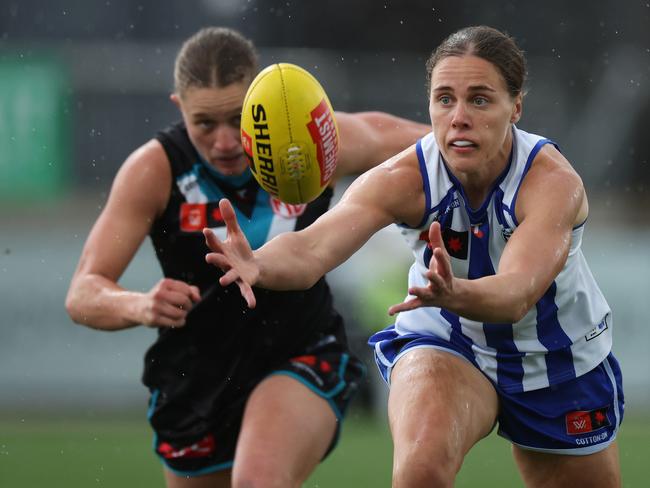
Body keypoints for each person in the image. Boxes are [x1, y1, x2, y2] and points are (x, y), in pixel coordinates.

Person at [204, 25, 624, 487]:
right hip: (450, 339)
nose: (458, 117)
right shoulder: (408, 175)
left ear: (516, 107)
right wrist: (259, 264)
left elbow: (515, 293)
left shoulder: (551, 182)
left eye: (479, 99)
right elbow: (312, 247)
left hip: (558, 357)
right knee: (421, 468)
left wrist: (454, 291)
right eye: (444, 99)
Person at [65, 27, 430, 488]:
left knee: (257, 481)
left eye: (237, 119)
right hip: (197, 376)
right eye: (204, 124)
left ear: (259, 102)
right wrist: (137, 304)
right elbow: (83, 292)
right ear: (179, 108)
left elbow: (433, 149)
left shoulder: (309, 140)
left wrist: (525, 162)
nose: (223, 142)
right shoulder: (154, 169)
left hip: (301, 350)